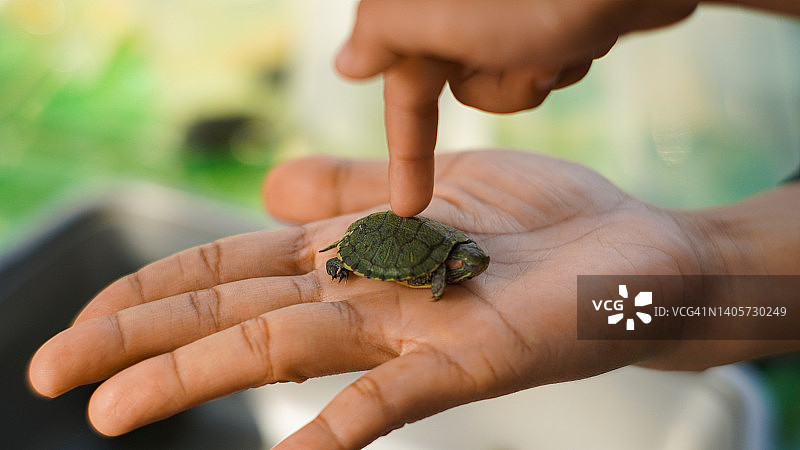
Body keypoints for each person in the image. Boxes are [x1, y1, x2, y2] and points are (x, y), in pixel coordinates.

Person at [27, 0, 799, 449]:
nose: (467, 270)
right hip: (379, 245)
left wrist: (710, 273)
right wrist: (711, 270)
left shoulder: (461, 263)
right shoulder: (437, 262)